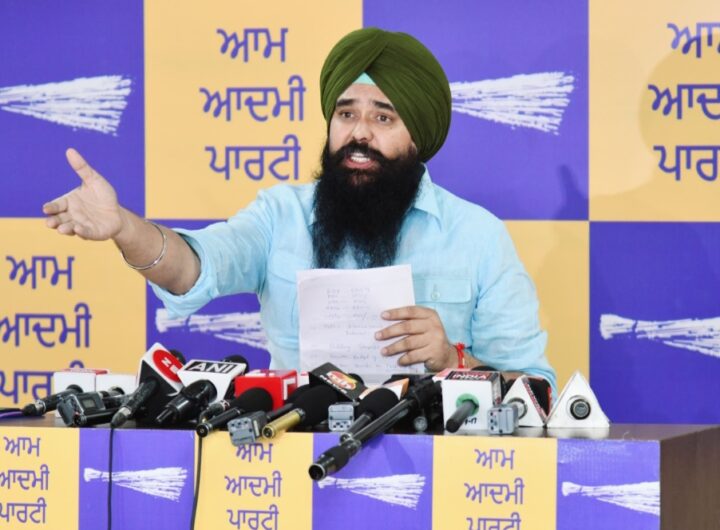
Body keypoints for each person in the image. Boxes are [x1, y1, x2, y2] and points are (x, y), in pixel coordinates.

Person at [42, 27, 556, 393]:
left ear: (419, 135)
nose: (359, 134)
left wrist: (452, 359)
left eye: (384, 118)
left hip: (435, 466)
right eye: (346, 113)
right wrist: (125, 228)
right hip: (293, 457)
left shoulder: (477, 236)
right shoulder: (279, 215)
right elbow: (195, 268)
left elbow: (537, 389)